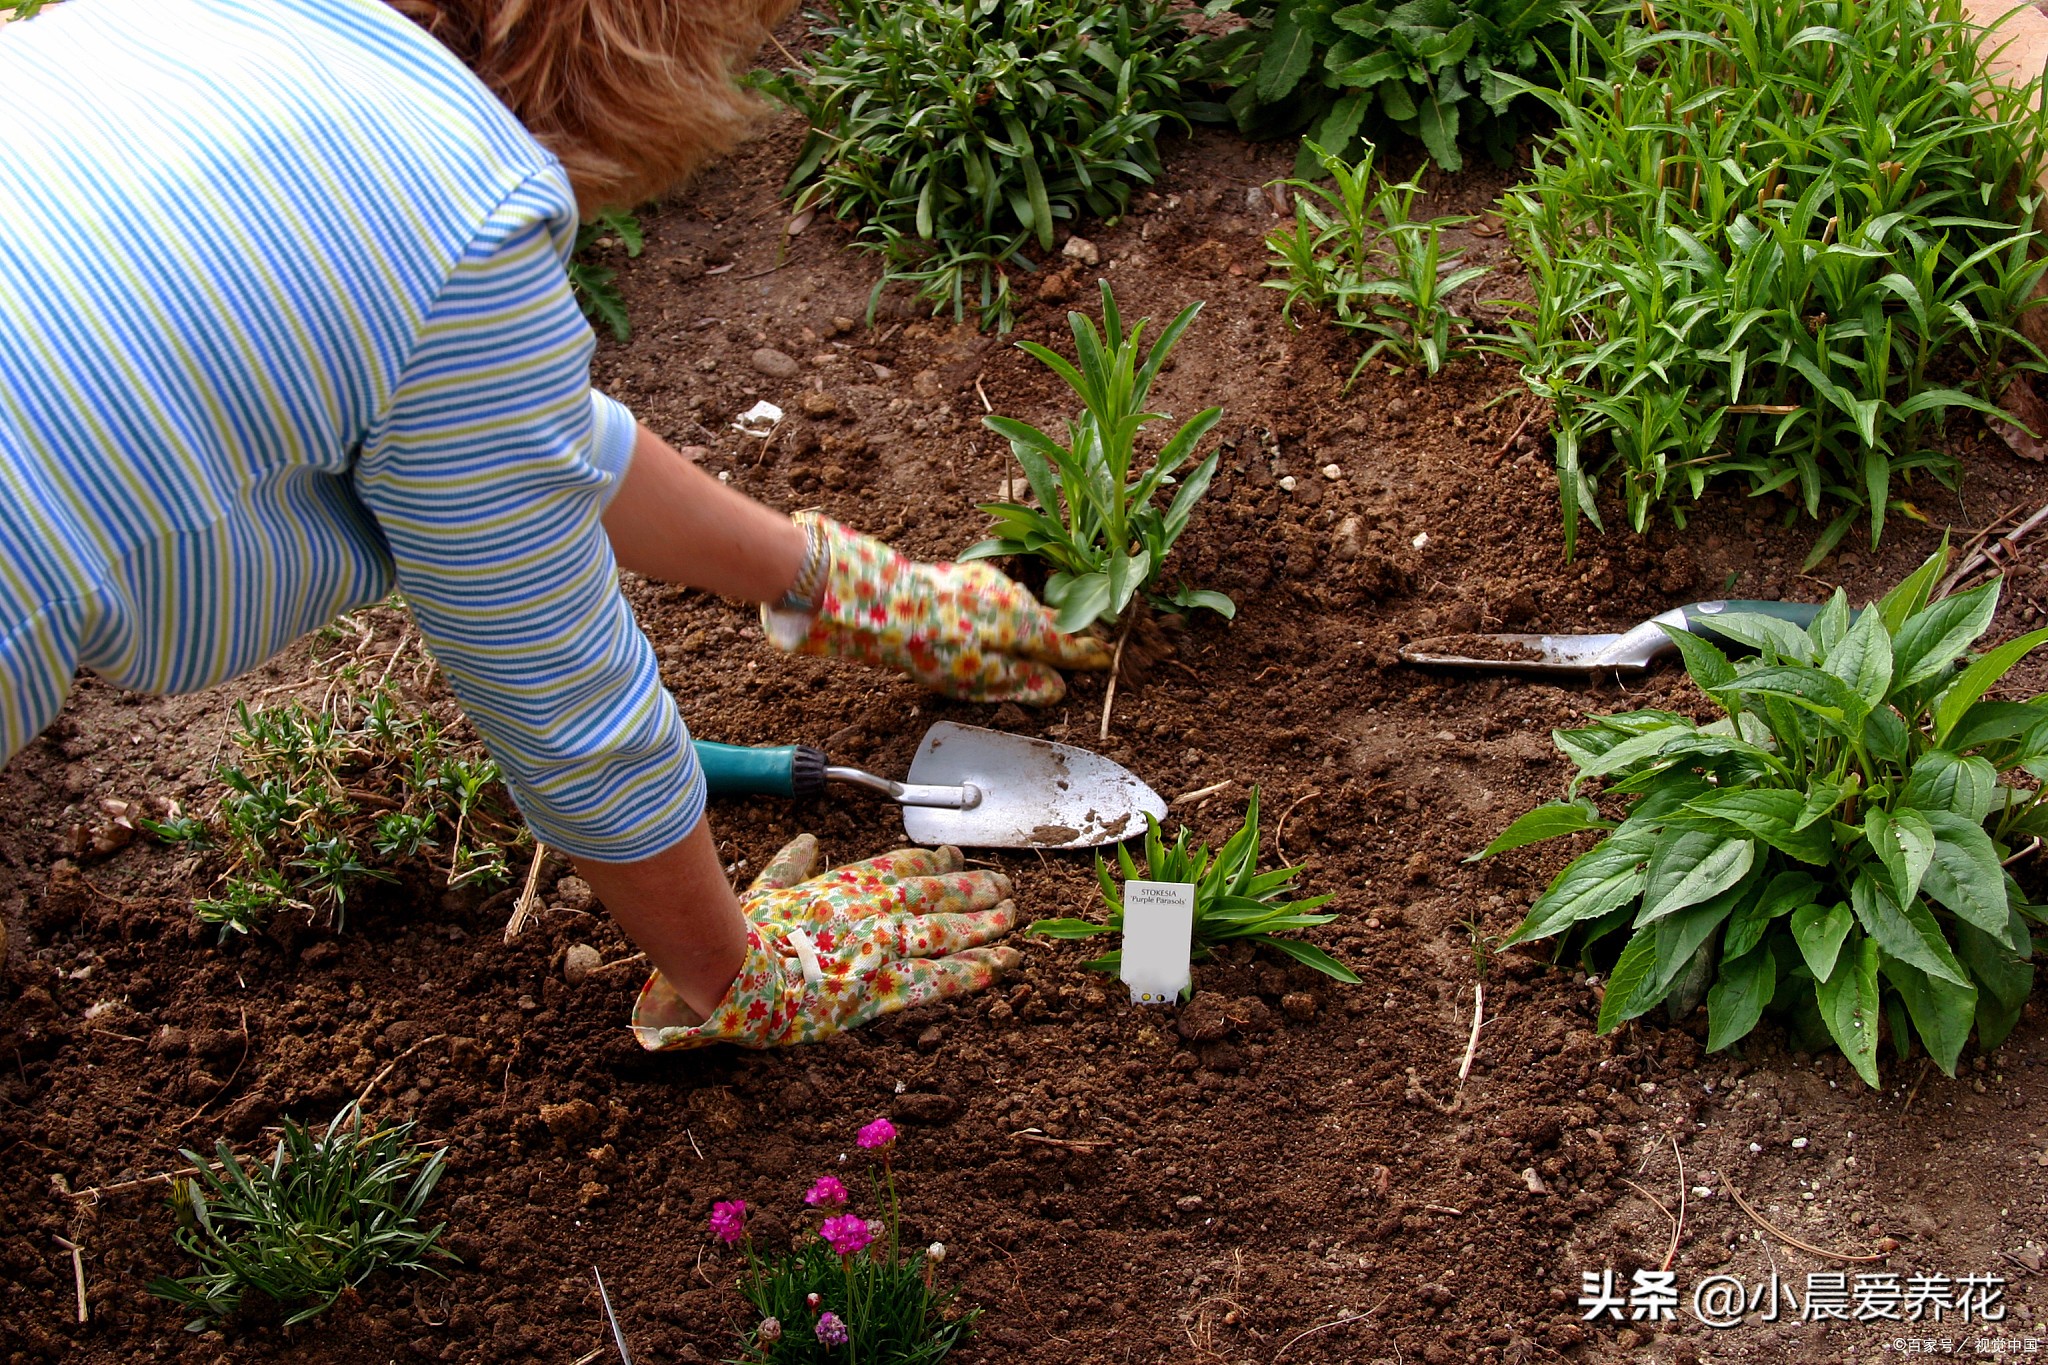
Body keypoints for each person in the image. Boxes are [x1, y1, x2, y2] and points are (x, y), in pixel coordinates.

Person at [0, 0, 1107, 1048]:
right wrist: (734, 973)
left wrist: (824, 578)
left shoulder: (199, 26)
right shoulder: (458, 221)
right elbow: (565, 712)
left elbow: (514, 437)